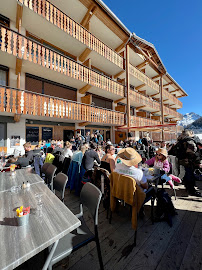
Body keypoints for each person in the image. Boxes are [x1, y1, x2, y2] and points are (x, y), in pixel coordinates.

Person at [169, 130, 202, 196]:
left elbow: (173, 152)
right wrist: (198, 161)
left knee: (187, 176)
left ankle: (188, 188)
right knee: (190, 176)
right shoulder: (190, 141)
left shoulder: (180, 142)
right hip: (189, 162)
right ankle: (191, 190)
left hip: (181, 161)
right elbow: (193, 152)